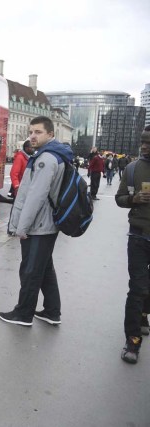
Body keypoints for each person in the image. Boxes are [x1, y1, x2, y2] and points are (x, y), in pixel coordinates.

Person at [0, 116, 72, 326]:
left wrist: (21, 227)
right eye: (31, 131)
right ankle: (51, 310)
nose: (32, 135)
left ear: (50, 134)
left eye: (38, 132)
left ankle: (23, 313)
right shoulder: (53, 155)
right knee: (44, 268)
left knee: (30, 270)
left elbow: (35, 196)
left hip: (38, 225)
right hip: (46, 224)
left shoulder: (45, 159)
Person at [115, 126, 150, 364]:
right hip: (138, 235)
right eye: (143, 142)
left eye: (149, 143)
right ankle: (132, 340)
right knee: (137, 288)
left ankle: (144, 316)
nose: (144, 146)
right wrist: (133, 199)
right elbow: (119, 199)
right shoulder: (132, 169)